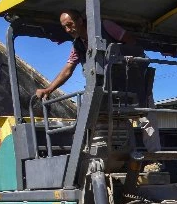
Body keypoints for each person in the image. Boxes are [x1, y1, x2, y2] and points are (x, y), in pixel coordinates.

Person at [36, 9, 160, 152]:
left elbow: (132, 43)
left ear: (80, 21)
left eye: (70, 24)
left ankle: (155, 156)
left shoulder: (106, 26)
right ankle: (92, 154)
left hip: (131, 81)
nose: (68, 29)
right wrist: (48, 89)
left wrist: (121, 58)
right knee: (98, 119)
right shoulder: (78, 45)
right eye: (64, 27)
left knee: (146, 116)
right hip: (106, 88)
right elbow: (68, 69)